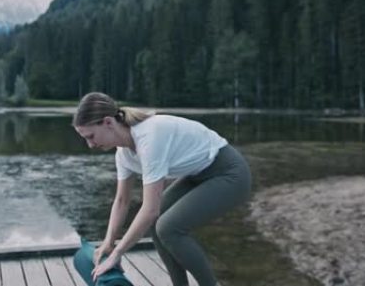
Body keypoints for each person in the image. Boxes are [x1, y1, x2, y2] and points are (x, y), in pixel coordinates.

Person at [73, 92, 252, 286]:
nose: (90, 145)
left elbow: (150, 209)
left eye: (91, 136)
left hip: (230, 173)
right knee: (157, 226)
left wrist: (117, 253)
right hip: (197, 175)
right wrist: (108, 242)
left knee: (168, 227)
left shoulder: (149, 137)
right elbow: (121, 201)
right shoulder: (123, 154)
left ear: (108, 122)